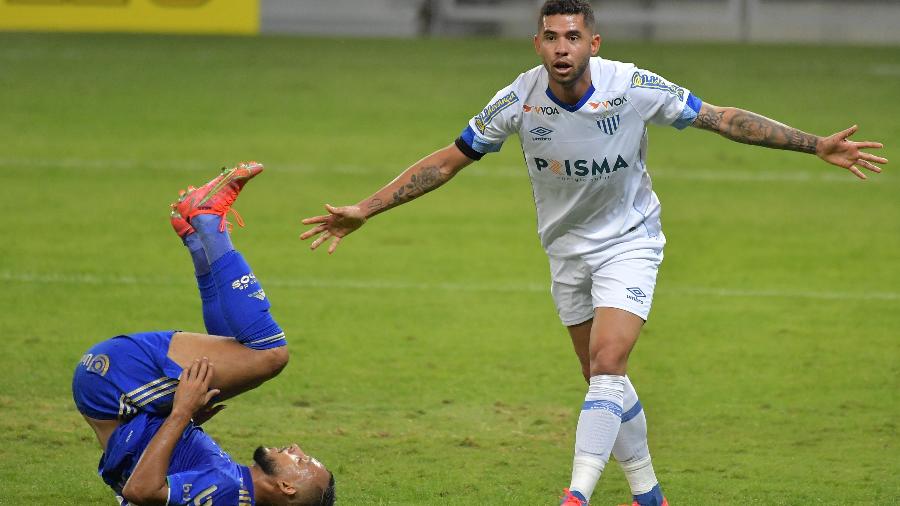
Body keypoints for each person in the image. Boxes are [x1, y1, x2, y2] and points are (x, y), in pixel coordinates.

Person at [299, 1, 888, 504]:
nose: (562, 48)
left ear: (593, 42)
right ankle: (649, 493)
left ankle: (576, 493)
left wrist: (814, 145)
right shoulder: (518, 101)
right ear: (537, 43)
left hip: (630, 242)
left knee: (608, 363)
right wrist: (366, 209)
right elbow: (448, 159)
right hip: (565, 253)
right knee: (599, 377)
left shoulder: (631, 85)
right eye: (552, 37)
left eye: (573, 36)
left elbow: (718, 117)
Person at [73, 162, 335, 506]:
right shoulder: (233, 486)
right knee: (235, 351)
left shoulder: (229, 493)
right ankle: (196, 237)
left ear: (288, 489)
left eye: (301, 462)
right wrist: (185, 419)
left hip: (118, 382)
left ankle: (208, 221)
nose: (296, 449)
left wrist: (181, 413)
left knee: (271, 354)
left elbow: (138, 492)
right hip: (123, 395)